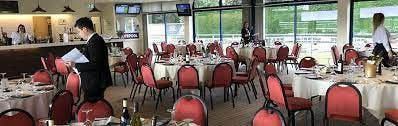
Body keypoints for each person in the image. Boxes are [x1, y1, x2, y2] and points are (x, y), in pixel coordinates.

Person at [70, 17, 112, 102]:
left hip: (95, 81)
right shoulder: (93, 40)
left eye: (79, 31)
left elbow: (96, 64)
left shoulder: (95, 41)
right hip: (93, 80)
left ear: (84, 29)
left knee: (92, 105)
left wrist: (75, 64)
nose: (79, 34)